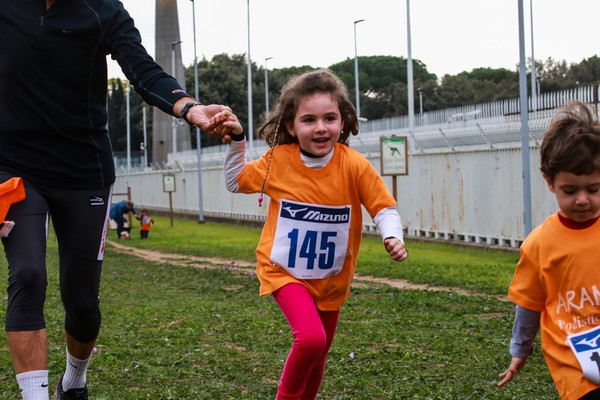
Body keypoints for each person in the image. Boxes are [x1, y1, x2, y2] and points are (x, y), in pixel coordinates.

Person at [0, 1, 231, 399]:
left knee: (83, 302)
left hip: (83, 171)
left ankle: (74, 380)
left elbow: (143, 71)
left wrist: (190, 108)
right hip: (14, 167)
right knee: (27, 275)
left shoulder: (103, 9)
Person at [217, 69, 409, 400]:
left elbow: (384, 208)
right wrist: (237, 143)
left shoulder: (354, 165)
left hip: (332, 279)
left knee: (318, 358)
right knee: (311, 339)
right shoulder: (279, 161)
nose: (320, 127)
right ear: (291, 126)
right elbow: (236, 182)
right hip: (283, 272)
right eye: (309, 120)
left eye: (329, 118)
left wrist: (393, 236)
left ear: (343, 121)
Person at [498, 101, 600, 400]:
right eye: (570, 191)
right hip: (574, 364)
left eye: (593, 189)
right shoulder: (540, 244)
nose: (582, 199)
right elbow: (529, 305)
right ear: (549, 182)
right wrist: (520, 350)